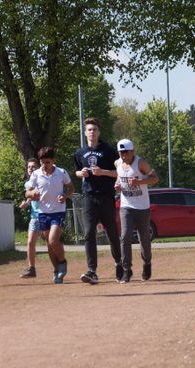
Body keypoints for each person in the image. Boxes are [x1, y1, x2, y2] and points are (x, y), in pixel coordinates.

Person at [74, 117, 122, 284]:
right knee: (88, 233)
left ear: (99, 132)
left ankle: (119, 264)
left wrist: (103, 172)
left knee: (112, 233)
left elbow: (119, 172)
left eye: (94, 129)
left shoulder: (108, 151)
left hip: (106, 196)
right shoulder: (80, 153)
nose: (92, 132)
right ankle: (92, 271)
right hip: (89, 197)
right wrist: (81, 173)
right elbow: (76, 172)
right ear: (85, 132)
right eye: (89, 129)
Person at [26, 147, 75, 283]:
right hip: (43, 213)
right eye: (42, 162)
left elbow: (71, 188)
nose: (44, 165)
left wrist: (64, 196)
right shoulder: (36, 174)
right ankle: (56, 271)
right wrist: (32, 193)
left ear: (54, 160)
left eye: (47, 162)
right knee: (49, 244)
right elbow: (27, 192)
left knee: (53, 240)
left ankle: (62, 261)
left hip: (58, 211)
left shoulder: (61, 172)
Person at [113, 139, 159, 283]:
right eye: (121, 153)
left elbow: (155, 178)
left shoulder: (141, 163)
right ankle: (127, 270)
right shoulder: (117, 163)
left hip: (142, 207)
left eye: (126, 153)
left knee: (144, 238)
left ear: (133, 151)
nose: (124, 156)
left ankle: (147, 264)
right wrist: (117, 185)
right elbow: (119, 179)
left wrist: (139, 182)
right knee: (125, 236)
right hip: (126, 206)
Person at [19, 158, 42, 278]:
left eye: (33, 166)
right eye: (29, 167)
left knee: (52, 243)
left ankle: (58, 266)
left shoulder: (44, 180)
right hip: (35, 216)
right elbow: (29, 196)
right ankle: (31, 269)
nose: (31, 169)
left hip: (47, 214)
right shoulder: (27, 184)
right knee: (30, 242)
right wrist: (26, 203)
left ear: (38, 168)